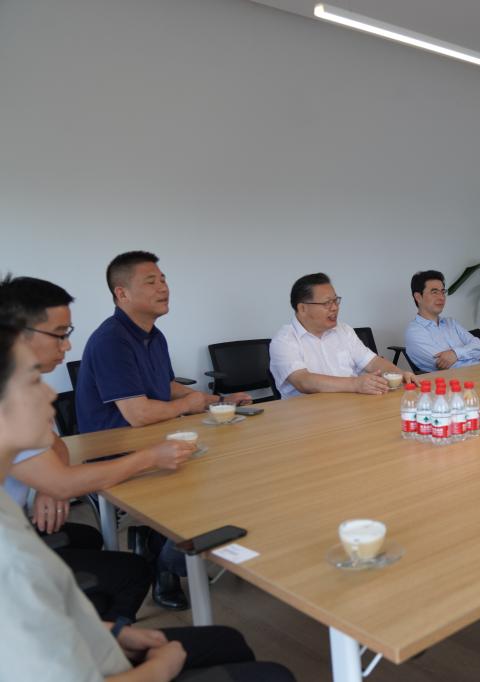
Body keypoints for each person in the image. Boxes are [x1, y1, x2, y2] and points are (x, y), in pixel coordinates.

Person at [0, 324, 296, 682]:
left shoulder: (8, 510)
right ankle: (165, 552)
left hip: (90, 643)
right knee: (274, 674)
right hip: (95, 667)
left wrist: (113, 633)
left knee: (228, 640)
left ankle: (161, 552)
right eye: (33, 381)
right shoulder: (11, 560)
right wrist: (161, 666)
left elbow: (53, 617)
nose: (51, 393)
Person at [0, 275, 196, 621]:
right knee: (131, 572)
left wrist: (49, 485)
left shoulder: (21, 384)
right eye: (60, 334)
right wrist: (150, 457)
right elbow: (64, 474)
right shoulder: (107, 341)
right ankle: (104, 641)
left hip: (18, 522)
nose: (67, 346)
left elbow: (56, 445)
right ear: (18, 333)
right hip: (11, 549)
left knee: (87, 537)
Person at [76, 251, 251, 609]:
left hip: (153, 439)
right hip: (116, 453)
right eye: (151, 281)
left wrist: (216, 400)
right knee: (207, 487)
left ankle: (157, 545)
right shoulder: (111, 340)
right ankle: (165, 561)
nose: (163, 287)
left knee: (235, 461)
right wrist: (188, 406)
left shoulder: (154, 335)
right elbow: (138, 413)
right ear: (122, 293)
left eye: (163, 279)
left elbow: (165, 387)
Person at [269, 273, 414, 398]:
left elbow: (372, 362)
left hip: (351, 406)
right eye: (327, 303)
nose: (335, 307)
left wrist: (400, 374)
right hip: (306, 414)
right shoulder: (284, 341)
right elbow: (303, 381)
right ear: (302, 308)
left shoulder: (344, 330)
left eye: (335, 300)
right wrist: (356, 384)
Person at [404, 270, 480, 372]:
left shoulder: (451, 323)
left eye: (443, 292)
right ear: (418, 297)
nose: (441, 297)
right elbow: (445, 365)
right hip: (449, 381)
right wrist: (477, 360)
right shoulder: (415, 332)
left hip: (477, 375)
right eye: (434, 292)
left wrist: (455, 354)